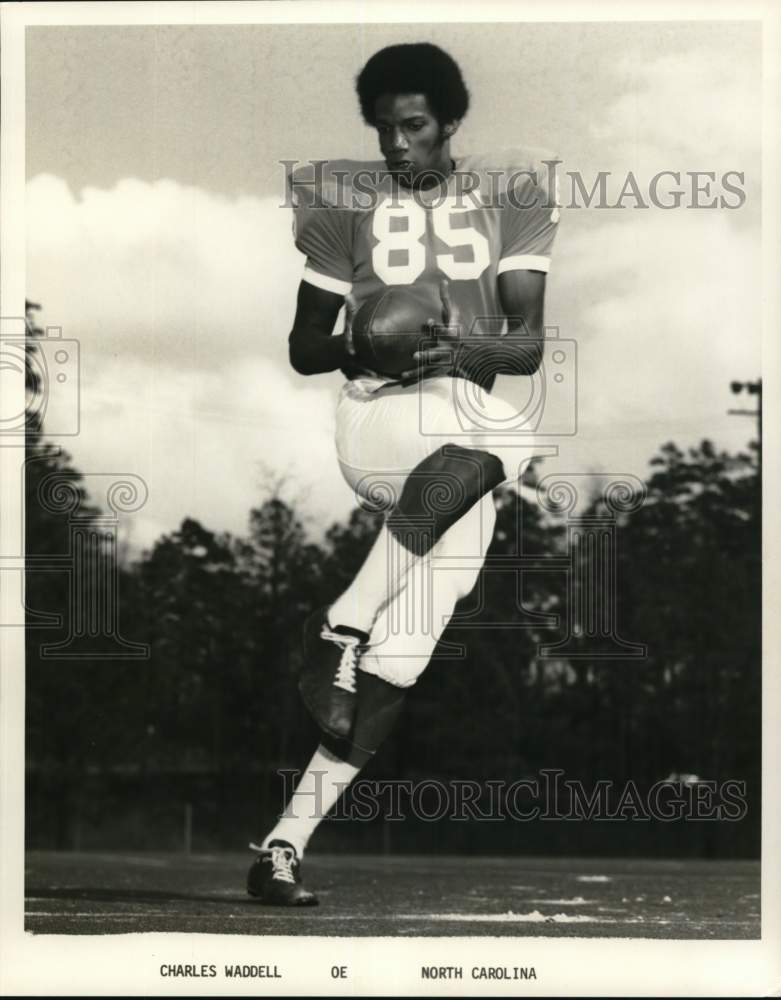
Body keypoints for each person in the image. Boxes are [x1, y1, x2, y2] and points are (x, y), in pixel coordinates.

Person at [247, 41, 560, 905]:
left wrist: (459, 345)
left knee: (405, 658)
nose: (395, 145)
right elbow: (303, 347)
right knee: (513, 433)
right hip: (382, 414)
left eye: (413, 127)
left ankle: (283, 845)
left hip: (461, 438)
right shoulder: (346, 205)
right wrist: (368, 338)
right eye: (383, 129)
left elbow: (528, 346)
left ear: (450, 124)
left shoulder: (508, 200)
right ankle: (339, 625)